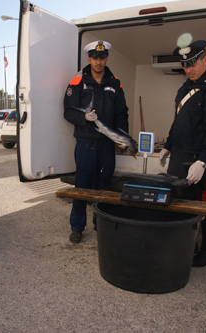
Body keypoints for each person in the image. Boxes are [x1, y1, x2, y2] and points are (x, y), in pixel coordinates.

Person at [159, 38, 206, 267]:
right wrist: (168, 145)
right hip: (181, 158)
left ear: (205, 59)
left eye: (193, 63)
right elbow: (180, 120)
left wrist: (202, 162)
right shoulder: (187, 86)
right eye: (185, 65)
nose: (189, 69)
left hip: (203, 163)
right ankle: (188, 245)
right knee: (182, 204)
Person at [63, 40, 129, 244]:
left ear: (106, 58)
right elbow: (68, 111)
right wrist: (84, 119)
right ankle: (77, 227)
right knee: (82, 186)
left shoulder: (115, 83)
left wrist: (122, 136)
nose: (98, 61)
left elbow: (122, 113)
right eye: (94, 57)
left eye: (102, 57)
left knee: (104, 186)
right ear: (89, 58)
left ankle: (100, 223)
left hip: (107, 143)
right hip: (85, 142)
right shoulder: (77, 82)